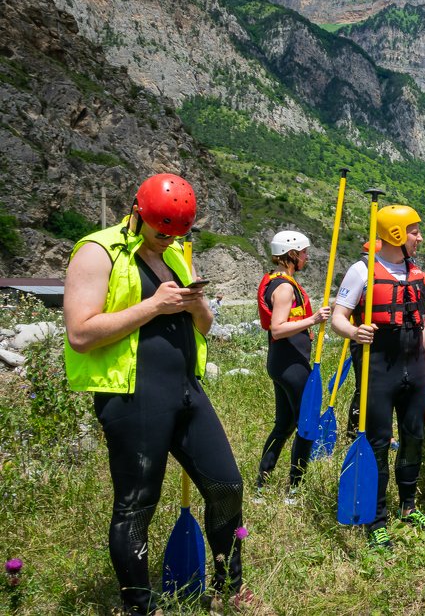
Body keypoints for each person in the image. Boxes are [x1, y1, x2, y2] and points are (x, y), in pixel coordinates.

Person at [63, 173, 250, 615]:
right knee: (136, 505)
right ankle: (139, 606)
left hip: (186, 390)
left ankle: (229, 589)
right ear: (138, 212)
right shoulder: (97, 251)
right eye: (161, 231)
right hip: (132, 395)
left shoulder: (178, 257)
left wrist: (195, 304)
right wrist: (154, 306)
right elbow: (80, 334)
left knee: (227, 485)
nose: (168, 240)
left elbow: (204, 326)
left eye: (178, 233)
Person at [330, 204, 425, 550]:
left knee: (413, 437)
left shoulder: (417, 274)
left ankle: (408, 506)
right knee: (377, 445)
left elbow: (424, 324)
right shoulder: (361, 271)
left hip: (414, 367)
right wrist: (354, 332)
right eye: (414, 231)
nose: (419, 238)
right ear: (395, 234)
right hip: (379, 368)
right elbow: (338, 318)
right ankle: (376, 520)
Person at [254, 230, 331, 500]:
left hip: (282, 363)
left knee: (284, 426)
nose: (308, 257)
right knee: (306, 425)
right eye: (305, 252)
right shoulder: (285, 287)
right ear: (292, 255)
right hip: (290, 365)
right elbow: (277, 329)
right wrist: (315, 319)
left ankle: (261, 486)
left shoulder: (279, 282)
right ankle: (294, 489)